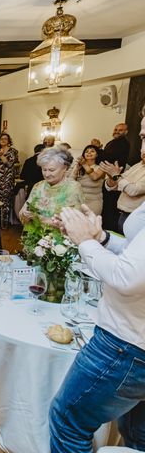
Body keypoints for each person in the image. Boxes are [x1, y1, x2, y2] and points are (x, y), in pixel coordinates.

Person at [49, 116, 145, 452]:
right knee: (137, 436)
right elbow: (136, 256)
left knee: (68, 420)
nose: (142, 146)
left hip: (126, 345)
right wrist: (101, 238)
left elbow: (126, 277)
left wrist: (83, 242)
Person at [19, 146, 84, 227]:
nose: (47, 174)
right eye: (44, 170)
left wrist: (41, 219)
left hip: (60, 238)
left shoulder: (73, 188)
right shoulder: (38, 186)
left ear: (65, 168)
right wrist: (24, 215)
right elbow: (24, 211)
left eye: (51, 170)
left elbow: (75, 223)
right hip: (35, 235)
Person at [100, 144, 145, 234]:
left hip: (137, 217)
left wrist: (116, 176)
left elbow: (133, 190)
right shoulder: (138, 165)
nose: (143, 151)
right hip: (122, 214)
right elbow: (115, 186)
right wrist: (111, 177)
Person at [101, 123, 130, 231]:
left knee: (110, 209)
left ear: (126, 132)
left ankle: (108, 233)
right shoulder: (112, 142)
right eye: (116, 129)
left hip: (114, 179)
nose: (117, 131)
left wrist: (98, 153)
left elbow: (108, 157)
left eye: (120, 130)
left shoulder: (123, 144)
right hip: (108, 179)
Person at [0, 133, 19, 227]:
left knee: (5, 201)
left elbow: (10, 164)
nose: (3, 140)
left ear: (9, 141)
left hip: (7, 180)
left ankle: (4, 223)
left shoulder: (13, 151)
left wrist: (2, 155)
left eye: (5, 139)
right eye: (1, 138)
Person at [72, 144, 105, 215]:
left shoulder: (101, 167)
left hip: (94, 201)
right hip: (78, 200)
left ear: (97, 155)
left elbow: (95, 177)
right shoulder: (80, 167)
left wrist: (84, 164)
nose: (89, 153)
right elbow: (71, 182)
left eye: (92, 151)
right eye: (86, 151)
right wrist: (76, 168)